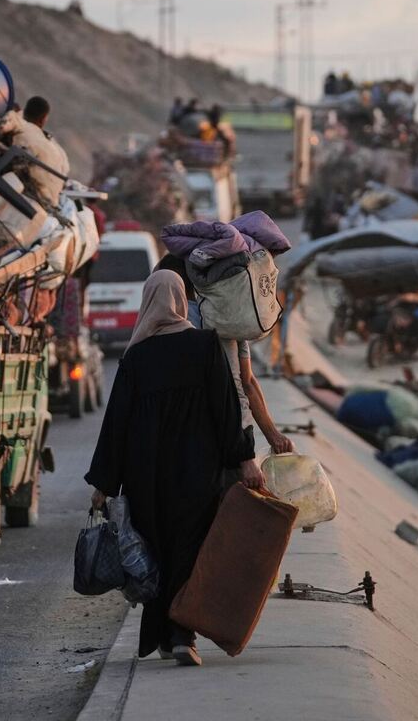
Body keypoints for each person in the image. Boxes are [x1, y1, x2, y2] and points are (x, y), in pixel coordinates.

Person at [86, 271, 261, 667]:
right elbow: (226, 411)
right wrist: (244, 457)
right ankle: (182, 635)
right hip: (197, 472)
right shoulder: (204, 345)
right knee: (189, 549)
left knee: (157, 551)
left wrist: (104, 484)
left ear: (148, 302)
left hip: (146, 477)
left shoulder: (136, 357)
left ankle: (165, 634)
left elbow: (117, 424)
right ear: (182, 301)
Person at [155, 255, 294, 455]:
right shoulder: (228, 318)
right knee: (239, 484)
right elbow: (247, 383)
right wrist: (273, 434)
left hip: (191, 432)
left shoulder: (164, 325)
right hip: (236, 426)